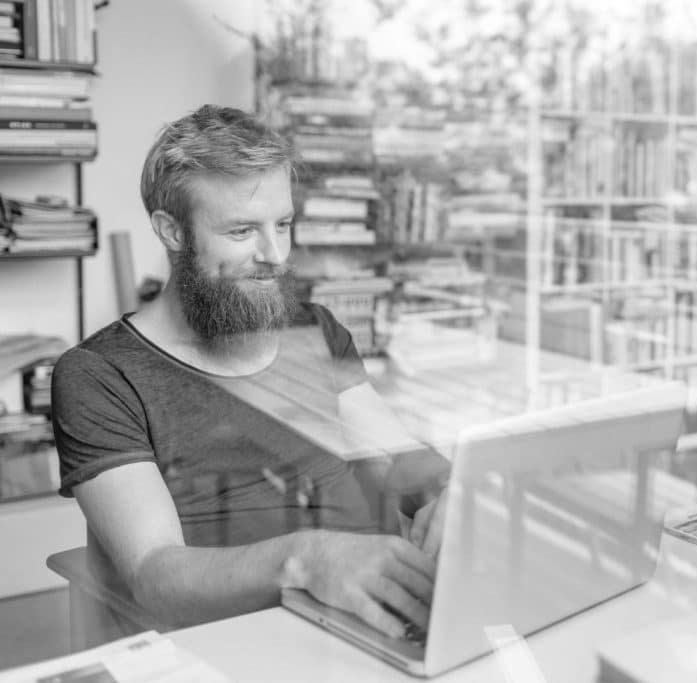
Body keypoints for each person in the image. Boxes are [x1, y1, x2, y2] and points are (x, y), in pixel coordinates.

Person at [51, 105, 448, 639]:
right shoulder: (99, 375)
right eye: (242, 231)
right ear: (172, 231)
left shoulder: (315, 330)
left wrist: (449, 492)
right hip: (233, 642)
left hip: (367, 626)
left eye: (282, 224)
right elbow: (155, 575)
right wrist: (305, 559)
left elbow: (401, 463)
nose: (275, 254)